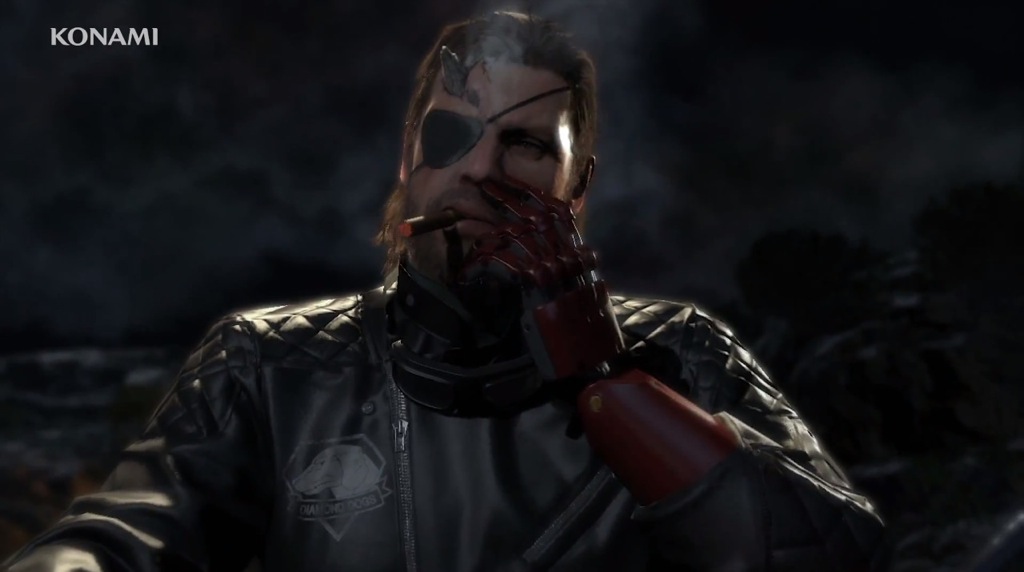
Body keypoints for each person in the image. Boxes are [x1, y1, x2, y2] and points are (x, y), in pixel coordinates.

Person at [2, 11, 888, 572]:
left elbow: (828, 554)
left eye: (526, 146)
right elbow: (122, 539)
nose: (477, 170)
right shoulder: (268, 363)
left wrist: (610, 385)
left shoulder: (683, 347)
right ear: (407, 161)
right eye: (452, 136)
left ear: (577, 186)